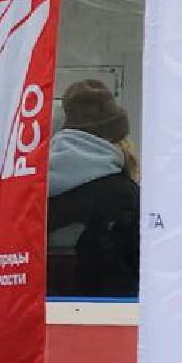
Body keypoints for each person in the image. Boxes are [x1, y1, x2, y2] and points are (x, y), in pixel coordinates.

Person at [47, 79, 139, 298]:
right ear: (113, 139)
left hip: (40, 310)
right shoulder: (124, 195)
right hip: (108, 313)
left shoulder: (33, 185)